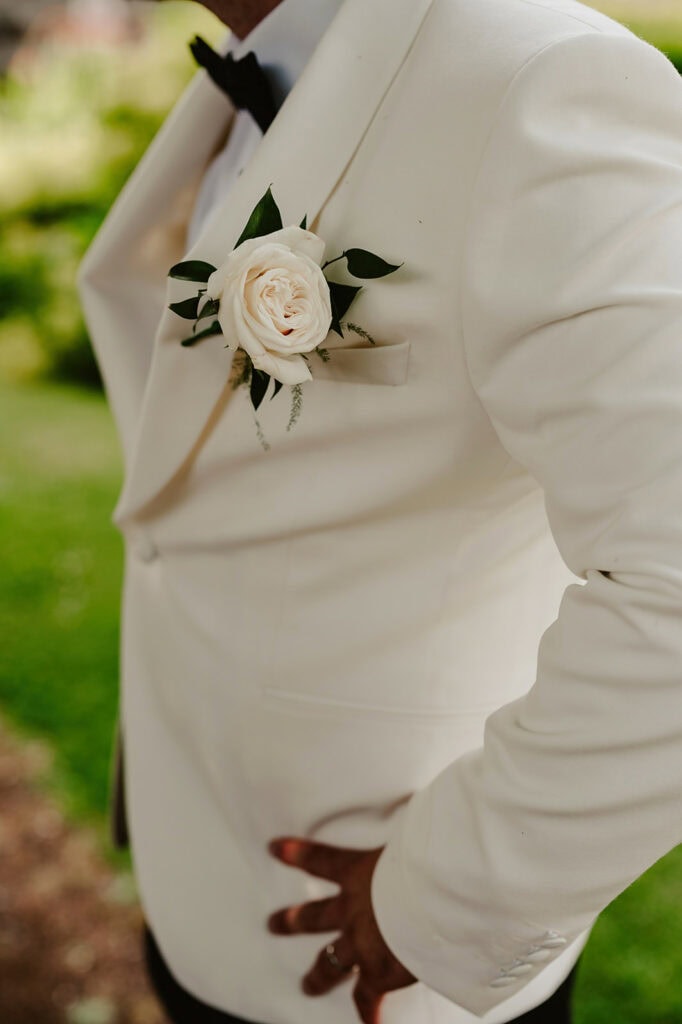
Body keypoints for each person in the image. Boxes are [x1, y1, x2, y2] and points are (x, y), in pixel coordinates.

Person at [77, 0, 682, 1021]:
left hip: (373, 956)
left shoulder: (544, 82)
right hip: (203, 878)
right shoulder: (263, 65)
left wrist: (450, 898)